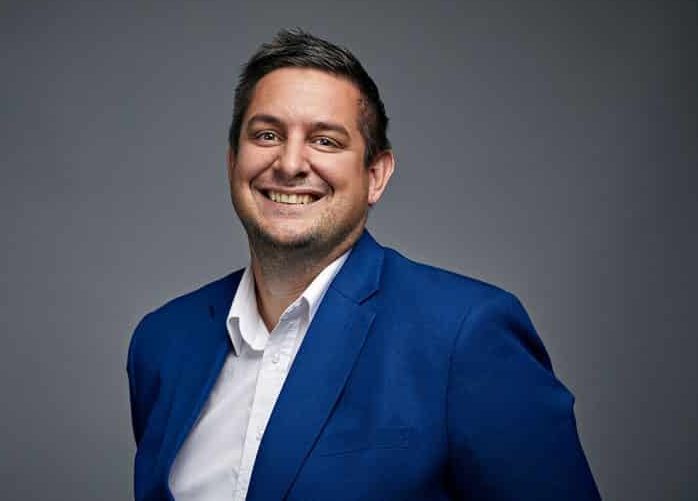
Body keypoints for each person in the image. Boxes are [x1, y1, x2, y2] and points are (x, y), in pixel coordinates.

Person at [126, 29, 600, 501]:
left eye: (325, 141)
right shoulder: (164, 342)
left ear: (375, 175)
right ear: (233, 161)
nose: (289, 164)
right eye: (267, 135)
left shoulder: (465, 335)